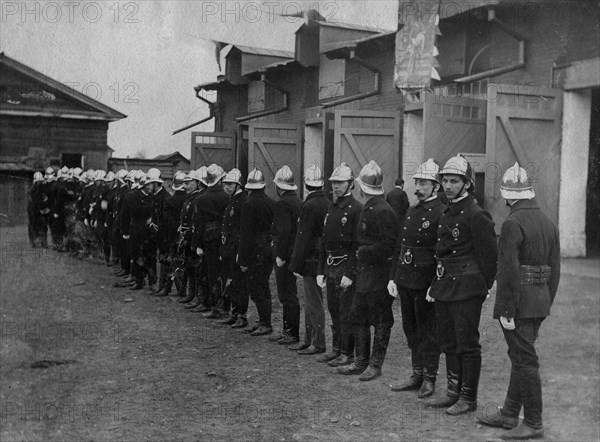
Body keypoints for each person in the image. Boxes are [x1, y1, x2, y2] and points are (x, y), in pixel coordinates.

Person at [477, 162, 560, 440]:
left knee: (525, 361)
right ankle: (511, 413)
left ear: (510, 195)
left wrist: (507, 309)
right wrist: (546, 300)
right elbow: (555, 270)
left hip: (519, 304)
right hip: (539, 302)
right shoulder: (548, 222)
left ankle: (534, 422)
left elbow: (508, 271)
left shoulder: (513, 222)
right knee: (521, 357)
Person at [425, 154, 497, 415]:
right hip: (445, 285)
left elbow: (490, 257)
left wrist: (482, 287)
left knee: (467, 342)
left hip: (467, 289)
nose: (448, 186)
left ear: (467, 183)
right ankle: (452, 392)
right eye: (445, 181)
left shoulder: (476, 214)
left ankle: (468, 398)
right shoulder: (447, 211)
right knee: (448, 340)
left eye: (454, 181)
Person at [337, 160, 399, 381]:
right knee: (358, 316)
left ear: (362, 187)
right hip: (364, 276)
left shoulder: (383, 210)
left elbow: (390, 245)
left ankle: (375, 364)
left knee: (381, 320)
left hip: (379, 277)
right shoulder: (370, 208)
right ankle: (361, 361)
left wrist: (364, 252)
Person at [388, 159, 444, 398]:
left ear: (436, 187)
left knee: (427, 331)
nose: (418, 187)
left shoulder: (442, 212)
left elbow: (443, 254)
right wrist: (393, 277)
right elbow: (400, 246)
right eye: (417, 182)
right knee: (410, 328)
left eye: (424, 183)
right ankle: (416, 373)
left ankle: (429, 378)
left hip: (426, 281)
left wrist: (435, 284)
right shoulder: (411, 211)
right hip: (406, 278)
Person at [316, 163, 363, 366]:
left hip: (346, 267)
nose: (336, 186)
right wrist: (321, 270)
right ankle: (336, 349)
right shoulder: (331, 208)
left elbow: (357, 245)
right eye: (334, 183)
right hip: (331, 266)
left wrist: (350, 273)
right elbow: (324, 242)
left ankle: (347, 352)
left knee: (346, 312)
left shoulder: (356, 209)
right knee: (334, 310)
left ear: (350, 184)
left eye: (340, 183)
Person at [289, 164, 331, 355]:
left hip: (310, 261)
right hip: (322, 259)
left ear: (306, 185)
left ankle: (318, 342)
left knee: (313, 302)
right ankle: (309, 339)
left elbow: (302, 237)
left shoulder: (308, 205)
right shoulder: (328, 203)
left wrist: (295, 264)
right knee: (312, 301)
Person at [237, 168, 275, 336]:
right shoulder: (271, 203)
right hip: (268, 247)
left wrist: (243, 260)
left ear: (249, 187)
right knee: (263, 284)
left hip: (254, 249)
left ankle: (265, 323)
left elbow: (246, 234)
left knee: (257, 287)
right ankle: (263, 320)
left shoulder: (248, 204)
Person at [270, 165, 303, 345]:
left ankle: (290, 332)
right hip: (294, 253)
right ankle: (290, 330)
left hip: (284, 254)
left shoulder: (282, 203)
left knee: (286, 293)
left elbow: (283, 231)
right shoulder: (298, 201)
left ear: (279, 187)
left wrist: (280, 255)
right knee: (291, 293)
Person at [193, 164, 230, 318]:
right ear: (220, 179)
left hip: (208, 237)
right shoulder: (227, 197)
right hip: (225, 237)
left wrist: (198, 244)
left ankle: (215, 306)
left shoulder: (201, 199)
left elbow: (199, 224)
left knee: (211, 272)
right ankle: (225, 307)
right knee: (225, 272)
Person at [218, 169, 248, 327]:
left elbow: (243, 229)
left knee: (240, 282)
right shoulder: (233, 199)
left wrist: (239, 252)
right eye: (225, 184)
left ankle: (241, 315)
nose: (226, 187)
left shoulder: (243, 201)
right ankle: (234, 312)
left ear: (238, 185)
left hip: (237, 248)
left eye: (230, 184)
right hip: (229, 247)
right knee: (232, 281)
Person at [155, 171, 188, 297]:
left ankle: (166, 287)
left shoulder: (169, 201)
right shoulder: (189, 199)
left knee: (169, 262)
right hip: (185, 236)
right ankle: (182, 290)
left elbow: (165, 222)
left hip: (172, 236)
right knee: (182, 264)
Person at [28, 172, 49, 248]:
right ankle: (38, 242)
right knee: (37, 226)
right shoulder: (34, 190)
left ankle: (39, 242)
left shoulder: (33, 189)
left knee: (39, 227)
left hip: (36, 211)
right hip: (35, 211)